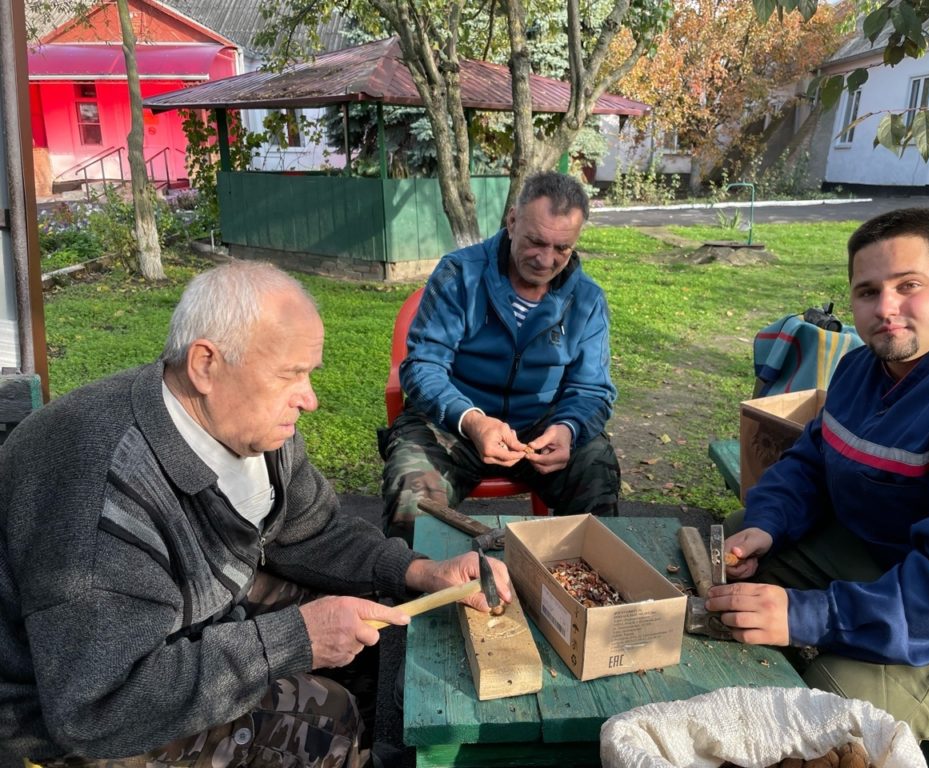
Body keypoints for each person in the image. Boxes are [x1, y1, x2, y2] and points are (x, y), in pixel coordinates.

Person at [0, 261, 511, 767]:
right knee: (324, 720)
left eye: (309, 374)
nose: (310, 400)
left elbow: (315, 531)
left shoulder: (253, 430)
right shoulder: (103, 487)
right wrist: (294, 640)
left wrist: (419, 571)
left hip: (178, 619)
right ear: (205, 365)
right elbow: (97, 707)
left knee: (379, 626)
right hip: (67, 722)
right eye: (290, 375)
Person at [706, 207, 929, 740]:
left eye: (909, 286)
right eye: (868, 291)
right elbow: (813, 458)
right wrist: (768, 521)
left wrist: (810, 616)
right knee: (740, 545)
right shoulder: (862, 365)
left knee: (833, 704)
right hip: (893, 561)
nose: (886, 309)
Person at [381, 171, 620, 539]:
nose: (546, 260)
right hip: (453, 424)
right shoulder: (459, 275)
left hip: (540, 429)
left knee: (597, 471)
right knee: (412, 499)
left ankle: (583, 577)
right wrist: (472, 420)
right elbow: (422, 366)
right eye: (535, 241)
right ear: (512, 221)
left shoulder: (587, 300)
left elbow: (592, 389)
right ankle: (412, 575)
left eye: (562, 248)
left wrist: (568, 429)